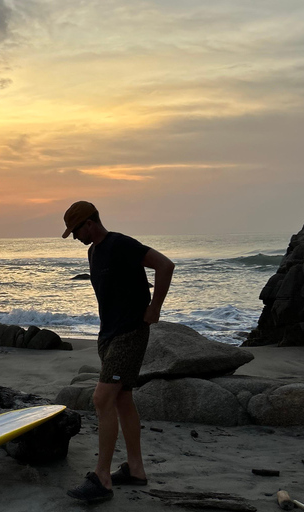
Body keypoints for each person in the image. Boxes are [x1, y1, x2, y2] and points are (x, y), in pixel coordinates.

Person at [62, 201, 175, 503]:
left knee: (102, 398)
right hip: (108, 335)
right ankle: (136, 470)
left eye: (76, 230)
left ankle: (102, 478)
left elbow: (165, 265)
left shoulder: (120, 244)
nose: (75, 237)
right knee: (123, 398)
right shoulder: (93, 252)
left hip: (130, 333)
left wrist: (154, 308)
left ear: (90, 223)